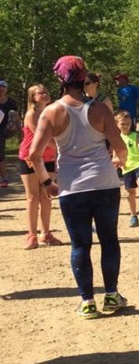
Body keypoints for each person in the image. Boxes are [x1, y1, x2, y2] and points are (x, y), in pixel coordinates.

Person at [29, 56, 128, 319]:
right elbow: (119, 146)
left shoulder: (51, 112)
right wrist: (120, 162)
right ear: (84, 78)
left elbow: (34, 154)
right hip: (104, 184)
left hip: (72, 188)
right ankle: (111, 295)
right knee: (109, 240)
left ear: (59, 80)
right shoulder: (99, 109)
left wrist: (47, 182)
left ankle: (87, 302)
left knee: (79, 245)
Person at [18, 84, 62, 249]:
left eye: (46, 91)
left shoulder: (51, 111)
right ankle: (32, 235)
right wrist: (60, 146)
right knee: (32, 197)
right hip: (30, 157)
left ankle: (46, 233)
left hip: (49, 157)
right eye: (40, 93)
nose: (45, 94)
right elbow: (40, 136)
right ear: (33, 97)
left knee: (46, 196)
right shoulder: (32, 114)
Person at [0, 79, 17, 188]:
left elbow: (16, 117)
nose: (1, 89)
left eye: (3, 87)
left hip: (3, 131)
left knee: (0, 155)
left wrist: (21, 132)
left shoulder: (11, 102)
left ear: (6, 89)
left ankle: (4, 177)